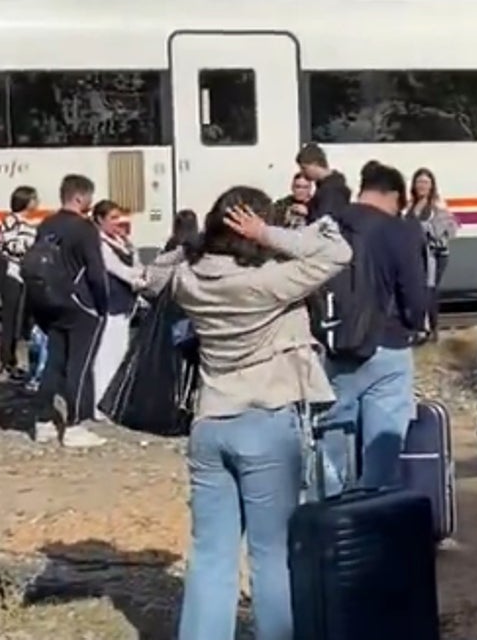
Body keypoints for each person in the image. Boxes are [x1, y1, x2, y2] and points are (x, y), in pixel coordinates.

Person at [144, 186, 350, 640]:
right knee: (271, 553)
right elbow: (338, 251)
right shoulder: (268, 281)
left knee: (211, 553)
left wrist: (191, 239)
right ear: (251, 232)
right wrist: (272, 233)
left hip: (209, 422)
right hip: (266, 422)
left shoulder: (188, 278)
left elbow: (150, 276)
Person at [323, 162, 427, 490]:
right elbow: (415, 293)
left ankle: (330, 517)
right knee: (382, 450)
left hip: (338, 345)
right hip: (389, 346)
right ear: (394, 195)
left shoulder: (330, 224)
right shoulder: (399, 231)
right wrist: (415, 323)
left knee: (331, 443)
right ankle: (373, 514)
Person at [30, 174, 111, 448]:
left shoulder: (47, 224)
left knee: (53, 363)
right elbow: (96, 272)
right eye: (89, 196)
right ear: (80, 197)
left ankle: (43, 423)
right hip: (80, 305)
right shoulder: (84, 228)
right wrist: (102, 306)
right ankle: (75, 426)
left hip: (50, 303)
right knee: (80, 364)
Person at [89, 199, 144, 416]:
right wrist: (140, 280)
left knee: (120, 353)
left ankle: (112, 400)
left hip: (124, 305)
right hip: (110, 304)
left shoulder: (122, 241)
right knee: (105, 356)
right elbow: (117, 269)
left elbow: (135, 264)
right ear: (99, 220)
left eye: (118, 217)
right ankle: (98, 404)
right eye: (112, 218)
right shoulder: (100, 244)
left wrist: (141, 273)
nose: (117, 222)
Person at [407, 168, 459, 339]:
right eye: (419, 182)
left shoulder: (437, 207)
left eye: (426, 183)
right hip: (416, 254)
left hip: (435, 255)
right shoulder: (410, 205)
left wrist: (423, 228)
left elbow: (444, 230)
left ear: (432, 186)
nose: (422, 186)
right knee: (418, 291)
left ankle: (431, 331)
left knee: (429, 291)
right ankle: (420, 328)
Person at [0, 185, 38, 381]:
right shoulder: (11, 220)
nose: (37, 202)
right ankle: (7, 361)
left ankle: (17, 360)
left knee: (22, 320)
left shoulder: (26, 222)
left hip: (24, 275)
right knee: (10, 320)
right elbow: (9, 246)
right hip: (13, 275)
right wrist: (30, 248)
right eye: (34, 198)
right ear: (26, 201)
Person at [296, 141, 351, 222]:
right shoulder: (325, 186)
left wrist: (307, 213)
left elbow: (326, 222)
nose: (302, 173)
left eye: (304, 168)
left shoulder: (332, 190)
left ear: (315, 164)